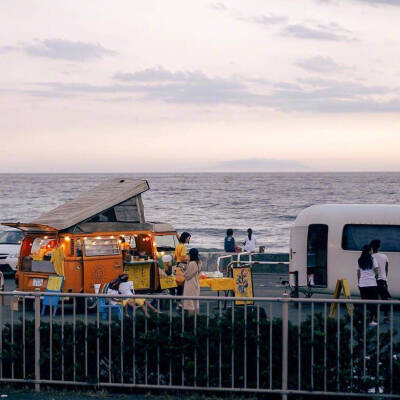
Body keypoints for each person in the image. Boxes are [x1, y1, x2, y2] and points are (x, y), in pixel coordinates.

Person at [357, 244, 379, 326]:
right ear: (369, 251)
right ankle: (371, 320)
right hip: (372, 284)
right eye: (371, 250)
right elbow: (376, 271)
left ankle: (362, 320)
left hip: (362, 284)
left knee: (364, 302)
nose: (372, 251)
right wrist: (375, 278)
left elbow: (358, 272)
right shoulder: (372, 259)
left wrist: (359, 282)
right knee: (373, 303)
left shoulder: (360, 260)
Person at [370, 239, 390, 322]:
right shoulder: (384, 256)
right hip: (382, 281)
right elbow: (386, 269)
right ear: (379, 247)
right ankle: (386, 317)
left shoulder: (370, 257)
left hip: (373, 281)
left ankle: (375, 318)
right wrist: (385, 278)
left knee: (374, 300)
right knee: (384, 299)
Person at [183, 248, 202, 314]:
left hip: (190, 285)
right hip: (196, 284)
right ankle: (197, 320)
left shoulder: (192, 263)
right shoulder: (199, 262)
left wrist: (183, 270)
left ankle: (191, 322)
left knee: (190, 305)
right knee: (196, 304)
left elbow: (187, 276)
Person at [173, 232, 191, 298]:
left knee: (178, 285)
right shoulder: (183, 247)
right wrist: (188, 259)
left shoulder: (178, 246)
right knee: (183, 285)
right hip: (182, 266)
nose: (189, 240)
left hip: (177, 266)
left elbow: (175, 257)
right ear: (185, 238)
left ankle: (178, 301)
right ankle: (180, 301)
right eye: (189, 238)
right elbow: (182, 258)